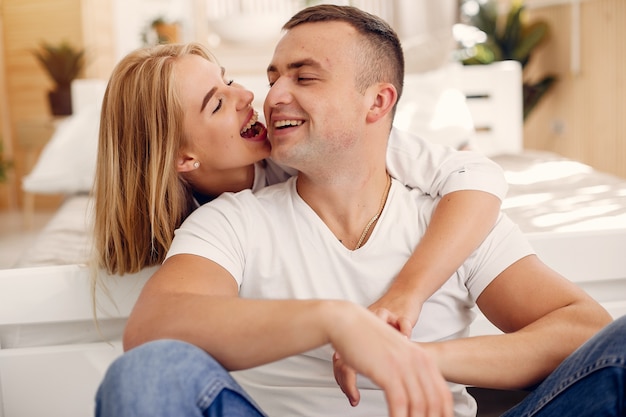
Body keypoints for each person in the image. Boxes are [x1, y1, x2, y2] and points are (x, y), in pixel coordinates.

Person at [96, 5, 622, 417]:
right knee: (147, 373)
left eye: (303, 77)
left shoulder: (450, 218)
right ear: (184, 159)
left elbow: (585, 333)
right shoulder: (231, 219)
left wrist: (418, 356)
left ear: (378, 103)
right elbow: (153, 331)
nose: (267, 94)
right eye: (274, 75)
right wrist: (338, 320)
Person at [93, 41, 509, 332]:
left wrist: (407, 293)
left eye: (229, 80)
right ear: (184, 159)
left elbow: (477, 175)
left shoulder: (314, 142)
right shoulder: (205, 234)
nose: (247, 96)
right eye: (217, 103)